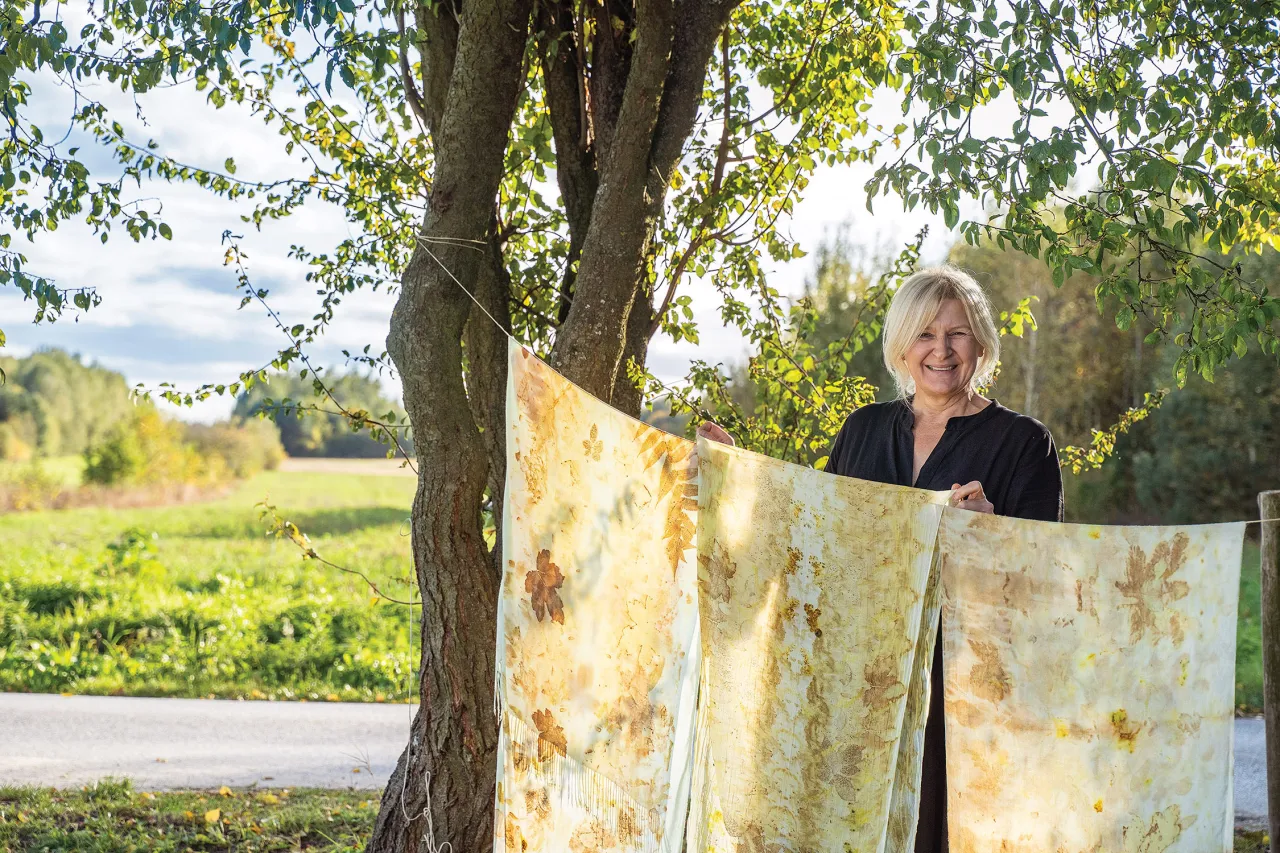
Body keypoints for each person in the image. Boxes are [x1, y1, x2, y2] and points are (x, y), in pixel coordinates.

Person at [696, 264, 1063, 853]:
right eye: (924, 334)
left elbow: (1042, 587)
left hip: (954, 696)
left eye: (957, 333)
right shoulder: (863, 429)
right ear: (900, 345)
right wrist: (735, 477)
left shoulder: (1024, 443)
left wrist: (990, 534)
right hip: (853, 679)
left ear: (981, 343)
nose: (941, 350)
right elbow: (812, 544)